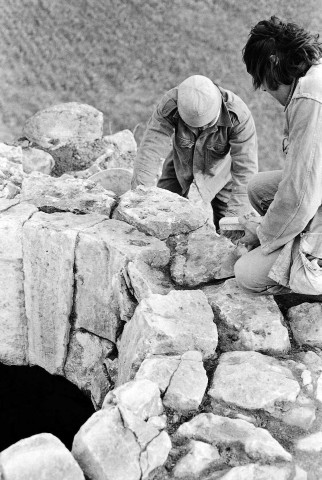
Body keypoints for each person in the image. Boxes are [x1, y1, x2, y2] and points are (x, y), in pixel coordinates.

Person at [235, 16, 322, 295]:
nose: (263, 89)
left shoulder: (310, 100)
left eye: (262, 80)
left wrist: (263, 236)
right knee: (259, 188)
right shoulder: (316, 75)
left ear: (273, 64)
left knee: (246, 273)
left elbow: (300, 195)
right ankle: (291, 246)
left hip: (312, 199)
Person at [131, 75, 258, 231]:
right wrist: (139, 199)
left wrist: (234, 221)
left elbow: (245, 169)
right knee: (160, 212)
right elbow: (150, 149)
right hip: (180, 165)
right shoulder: (172, 104)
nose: (201, 130)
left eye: (207, 125)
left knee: (229, 224)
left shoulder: (239, 117)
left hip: (221, 173)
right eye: (193, 126)